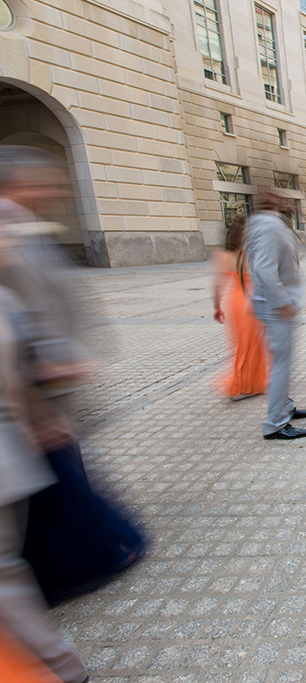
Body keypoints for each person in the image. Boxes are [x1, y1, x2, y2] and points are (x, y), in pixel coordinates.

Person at [0, 147, 143, 607]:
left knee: (60, 469)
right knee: (54, 473)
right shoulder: (8, 227)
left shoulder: (26, 227)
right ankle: (79, 557)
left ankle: (87, 549)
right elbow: (22, 316)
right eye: (40, 181)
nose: (52, 190)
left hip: (48, 377)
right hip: (31, 382)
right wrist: (46, 366)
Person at [0, 285, 88, 683]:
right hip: (13, 456)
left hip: (12, 457)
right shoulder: (5, 298)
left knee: (5, 575)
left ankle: (57, 665)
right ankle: (59, 663)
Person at [245, 190, 306, 440]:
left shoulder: (258, 223)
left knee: (279, 361)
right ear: (270, 201)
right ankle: (275, 423)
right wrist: (283, 301)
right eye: (277, 197)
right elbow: (263, 268)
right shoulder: (269, 226)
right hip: (275, 307)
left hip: (269, 304)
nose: (282, 200)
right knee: (280, 365)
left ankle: (284, 406)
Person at [213, 214, 267, 401]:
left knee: (241, 345)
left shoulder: (225, 254)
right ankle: (244, 385)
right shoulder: (250, 252)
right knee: (252, 346)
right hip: (250, 300)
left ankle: (250, 383)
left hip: (234, 302)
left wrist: (217, 306)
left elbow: (218, 283)